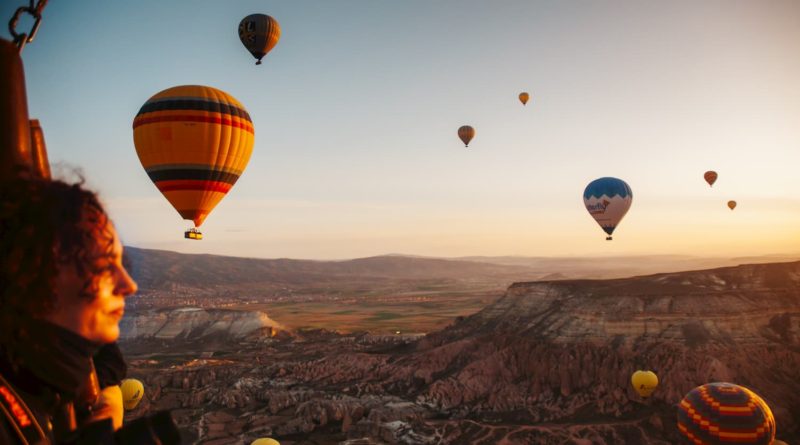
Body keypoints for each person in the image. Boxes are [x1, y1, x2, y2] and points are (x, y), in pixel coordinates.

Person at [0, 177, 137, 444]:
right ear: (36, 274)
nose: (128, 285)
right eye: (103, 265)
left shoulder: (40, 389)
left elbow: (109, 359)